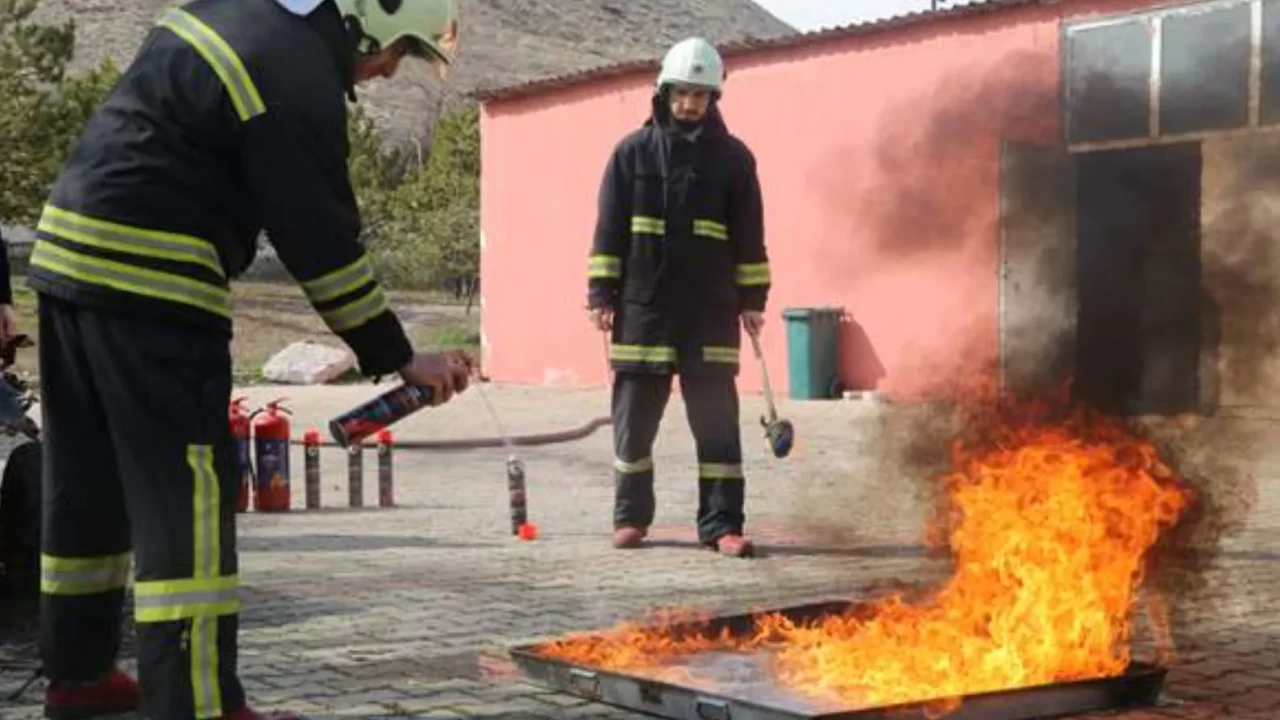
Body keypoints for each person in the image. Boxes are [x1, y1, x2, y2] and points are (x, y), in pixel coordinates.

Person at [27, 1, 471, 719]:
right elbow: (322, 246)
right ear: (360, 21)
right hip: (155, 289)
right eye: (395, 51)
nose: (390, 70)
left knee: (87, 483)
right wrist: (399, 357)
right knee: (189, 501)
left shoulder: (232, 14)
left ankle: (78, 678)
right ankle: (199, 705)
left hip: (67, 265)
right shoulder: (294, 75)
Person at [586, 37, 772, 559]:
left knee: (717, 429)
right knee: (634, 426)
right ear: (663, 91)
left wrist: (753, 297)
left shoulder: (735, 161)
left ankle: (721, 525)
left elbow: (750, 236)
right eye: (681, 93)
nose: (690, 104)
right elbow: (608, 232)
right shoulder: (631, 153)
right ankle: (630, 518)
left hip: (710, 314)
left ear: (714, 98)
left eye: (700, 95)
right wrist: (601, 292)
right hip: (643, 312)